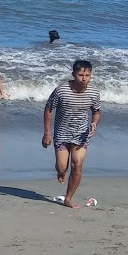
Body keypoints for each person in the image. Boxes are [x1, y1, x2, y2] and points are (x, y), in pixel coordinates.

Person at [42, 59, 100, 209]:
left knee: (77, 165)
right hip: (61, 134)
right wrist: (47, 133)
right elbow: (48, 109)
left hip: (81, 134)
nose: (84, 78)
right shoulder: (61, 90)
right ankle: (60, 172)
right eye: (81, 74)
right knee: (62, 168)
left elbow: (96, 111)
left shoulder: (93, 92)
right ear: (73, 74)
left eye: (87, 75)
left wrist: (94, 123)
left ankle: (68, 198)